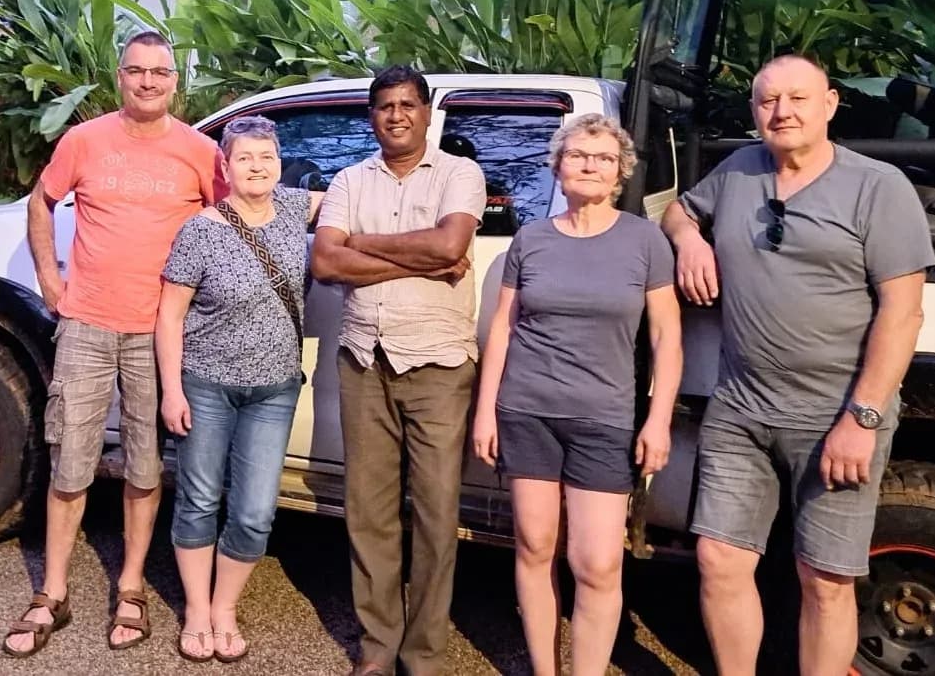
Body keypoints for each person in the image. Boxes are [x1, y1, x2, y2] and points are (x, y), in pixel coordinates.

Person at [660, 55, 935, 676]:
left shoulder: (878, 187)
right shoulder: (738, 171)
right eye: (767, 101)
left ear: (831, 104)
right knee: (719, 561)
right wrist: (689, 240)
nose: (781, 112)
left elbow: (903, 314)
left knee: (825, 580)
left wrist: (861, 420)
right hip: (741, 408)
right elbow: (680, 210)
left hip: (837, 413)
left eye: (798, 99)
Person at [3, 31, 224, 658]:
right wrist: (49, 276)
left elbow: (234, 224)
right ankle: (52, 592)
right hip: (88, 324)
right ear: (119, 76)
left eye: (160, 71)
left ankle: (129, 586)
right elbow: (42, 204)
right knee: (70, 459)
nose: (148, 81)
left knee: (146, 465)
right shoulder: (85, 140)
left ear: (175, 80)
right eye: (136, 71)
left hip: (160, 332)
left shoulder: (201, 153)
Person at [470, 113, 683, 676]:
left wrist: (658, 418)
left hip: (605, 421)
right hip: (527, 412)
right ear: (558, 166)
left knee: (597, 564)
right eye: (578, 155)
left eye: (604, 158)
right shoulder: (531, 240)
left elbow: (666, 337)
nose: (590, 165)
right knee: (534, 547)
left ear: (620, 173)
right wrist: (486, 412)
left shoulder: (645, 241)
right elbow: (504, 329)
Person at [310, 65, 486, 676]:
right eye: (385, 106)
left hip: (437, 363)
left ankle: (425, 653)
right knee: (369, 511)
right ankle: (378, 647)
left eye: (407, 105)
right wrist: (413, 258)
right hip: (364, 359)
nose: (397, 116)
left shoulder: (459, 174)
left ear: (427, 112)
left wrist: (364, 245)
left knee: (437, 516)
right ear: (372, 116)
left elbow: (449, 247)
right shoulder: (350, 180)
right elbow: (326, 262)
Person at [155, 115, 323, 663]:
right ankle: (197, 610)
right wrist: (171, 392)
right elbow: (170, 317)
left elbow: (355, 198)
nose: (257, 166)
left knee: (254, 512)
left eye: (267, 157)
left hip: (274, 391)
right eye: (245, 158)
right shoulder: (202, 229)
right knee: (200, 500)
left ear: (280, 164)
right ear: (225, 167)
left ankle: (225, 606)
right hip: (205, 385)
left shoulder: (299, 209)